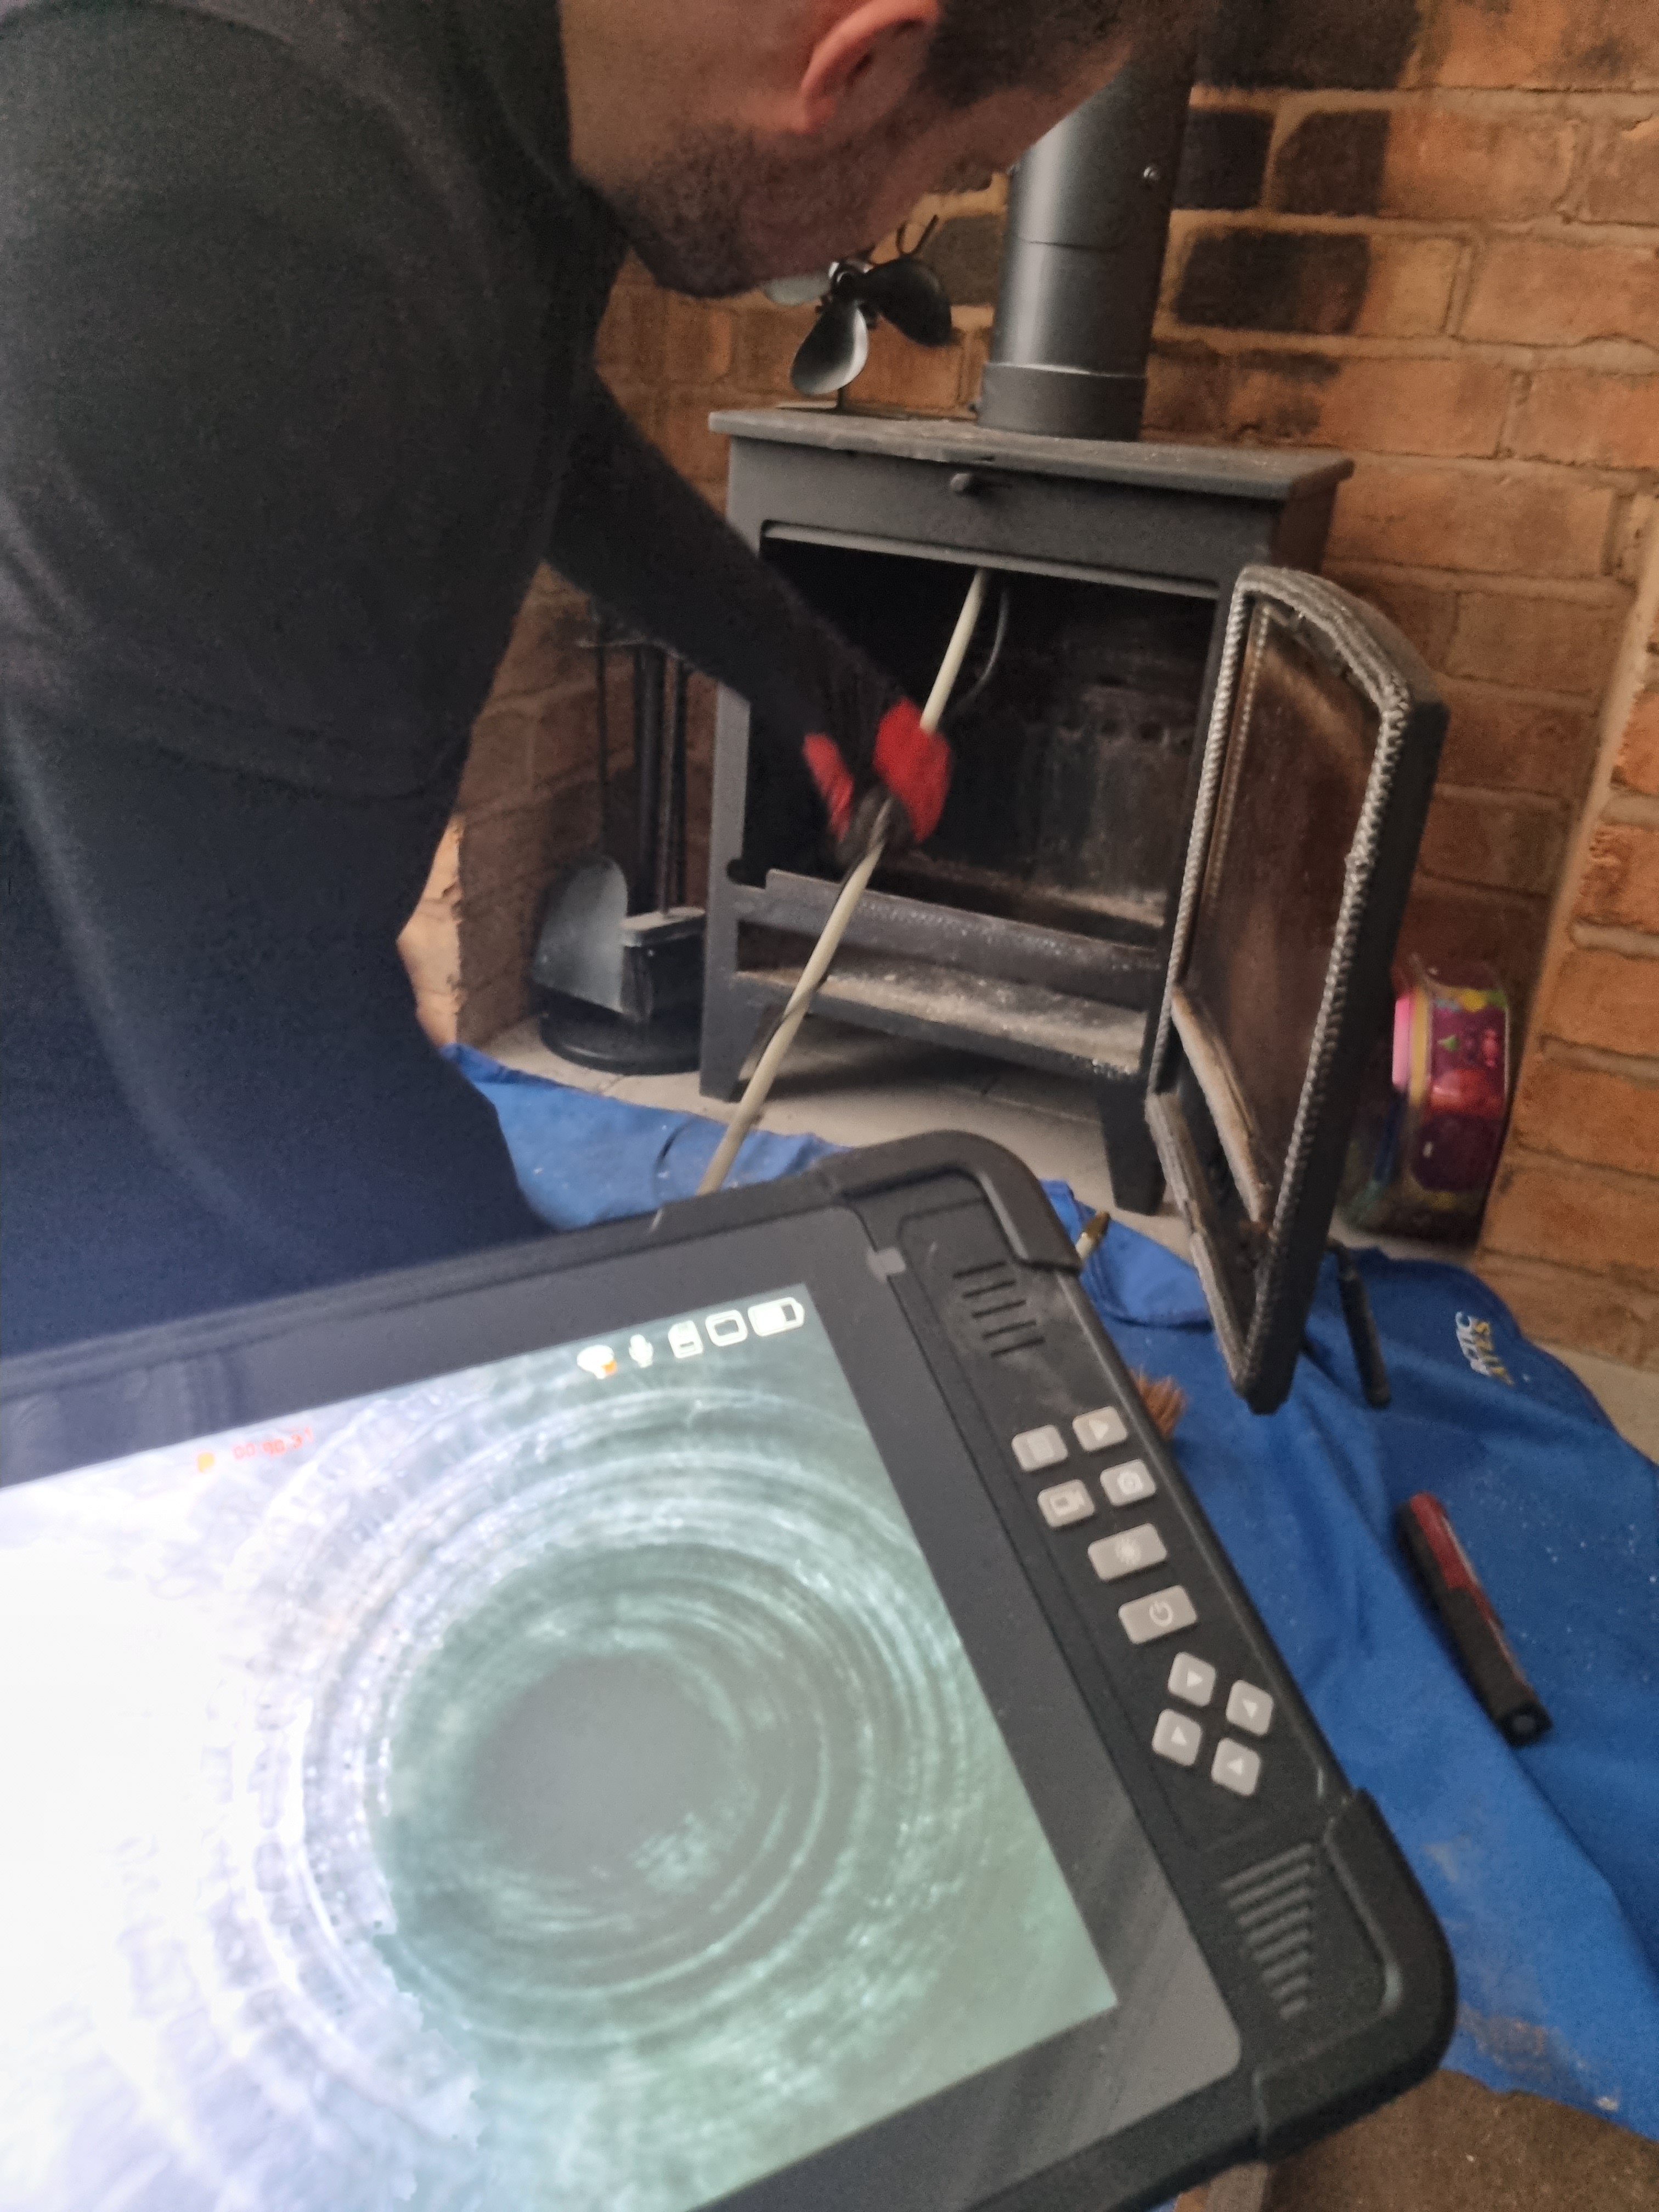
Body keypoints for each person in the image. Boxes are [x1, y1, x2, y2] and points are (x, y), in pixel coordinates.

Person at [0, 0, 1163, 1356]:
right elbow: (262, 1061)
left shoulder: (498, 101)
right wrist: (623, 1339)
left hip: (182, 1016)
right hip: (79, 1101)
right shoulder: (226, 198)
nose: (878, 236)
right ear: (861, 67)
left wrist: (809, 676)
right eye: (947, 178)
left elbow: (538, 409)